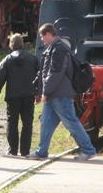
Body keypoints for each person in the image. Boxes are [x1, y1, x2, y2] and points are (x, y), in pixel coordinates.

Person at [28, 23, 97, 161]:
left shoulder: (58, 49)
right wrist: (40, 90)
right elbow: (45, 72)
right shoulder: (54, 48)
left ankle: (88, 150)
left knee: (71, 122)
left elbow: (55, 73)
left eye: (42, 36)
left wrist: (45, 91)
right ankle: (41, 151)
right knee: (46, 124)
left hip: (60, 94)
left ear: (48, 34)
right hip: (54, 94)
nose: (41, 39)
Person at [0, 33, 38, 156]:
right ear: (22, 44)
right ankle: (25, 150)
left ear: (11, 45)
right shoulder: (32, 59)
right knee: (27, 123)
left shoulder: (7, 60)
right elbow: (40, 76)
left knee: (12, 122)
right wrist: (38, 92)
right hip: (28, 95)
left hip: (13, 96)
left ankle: (13, 150)